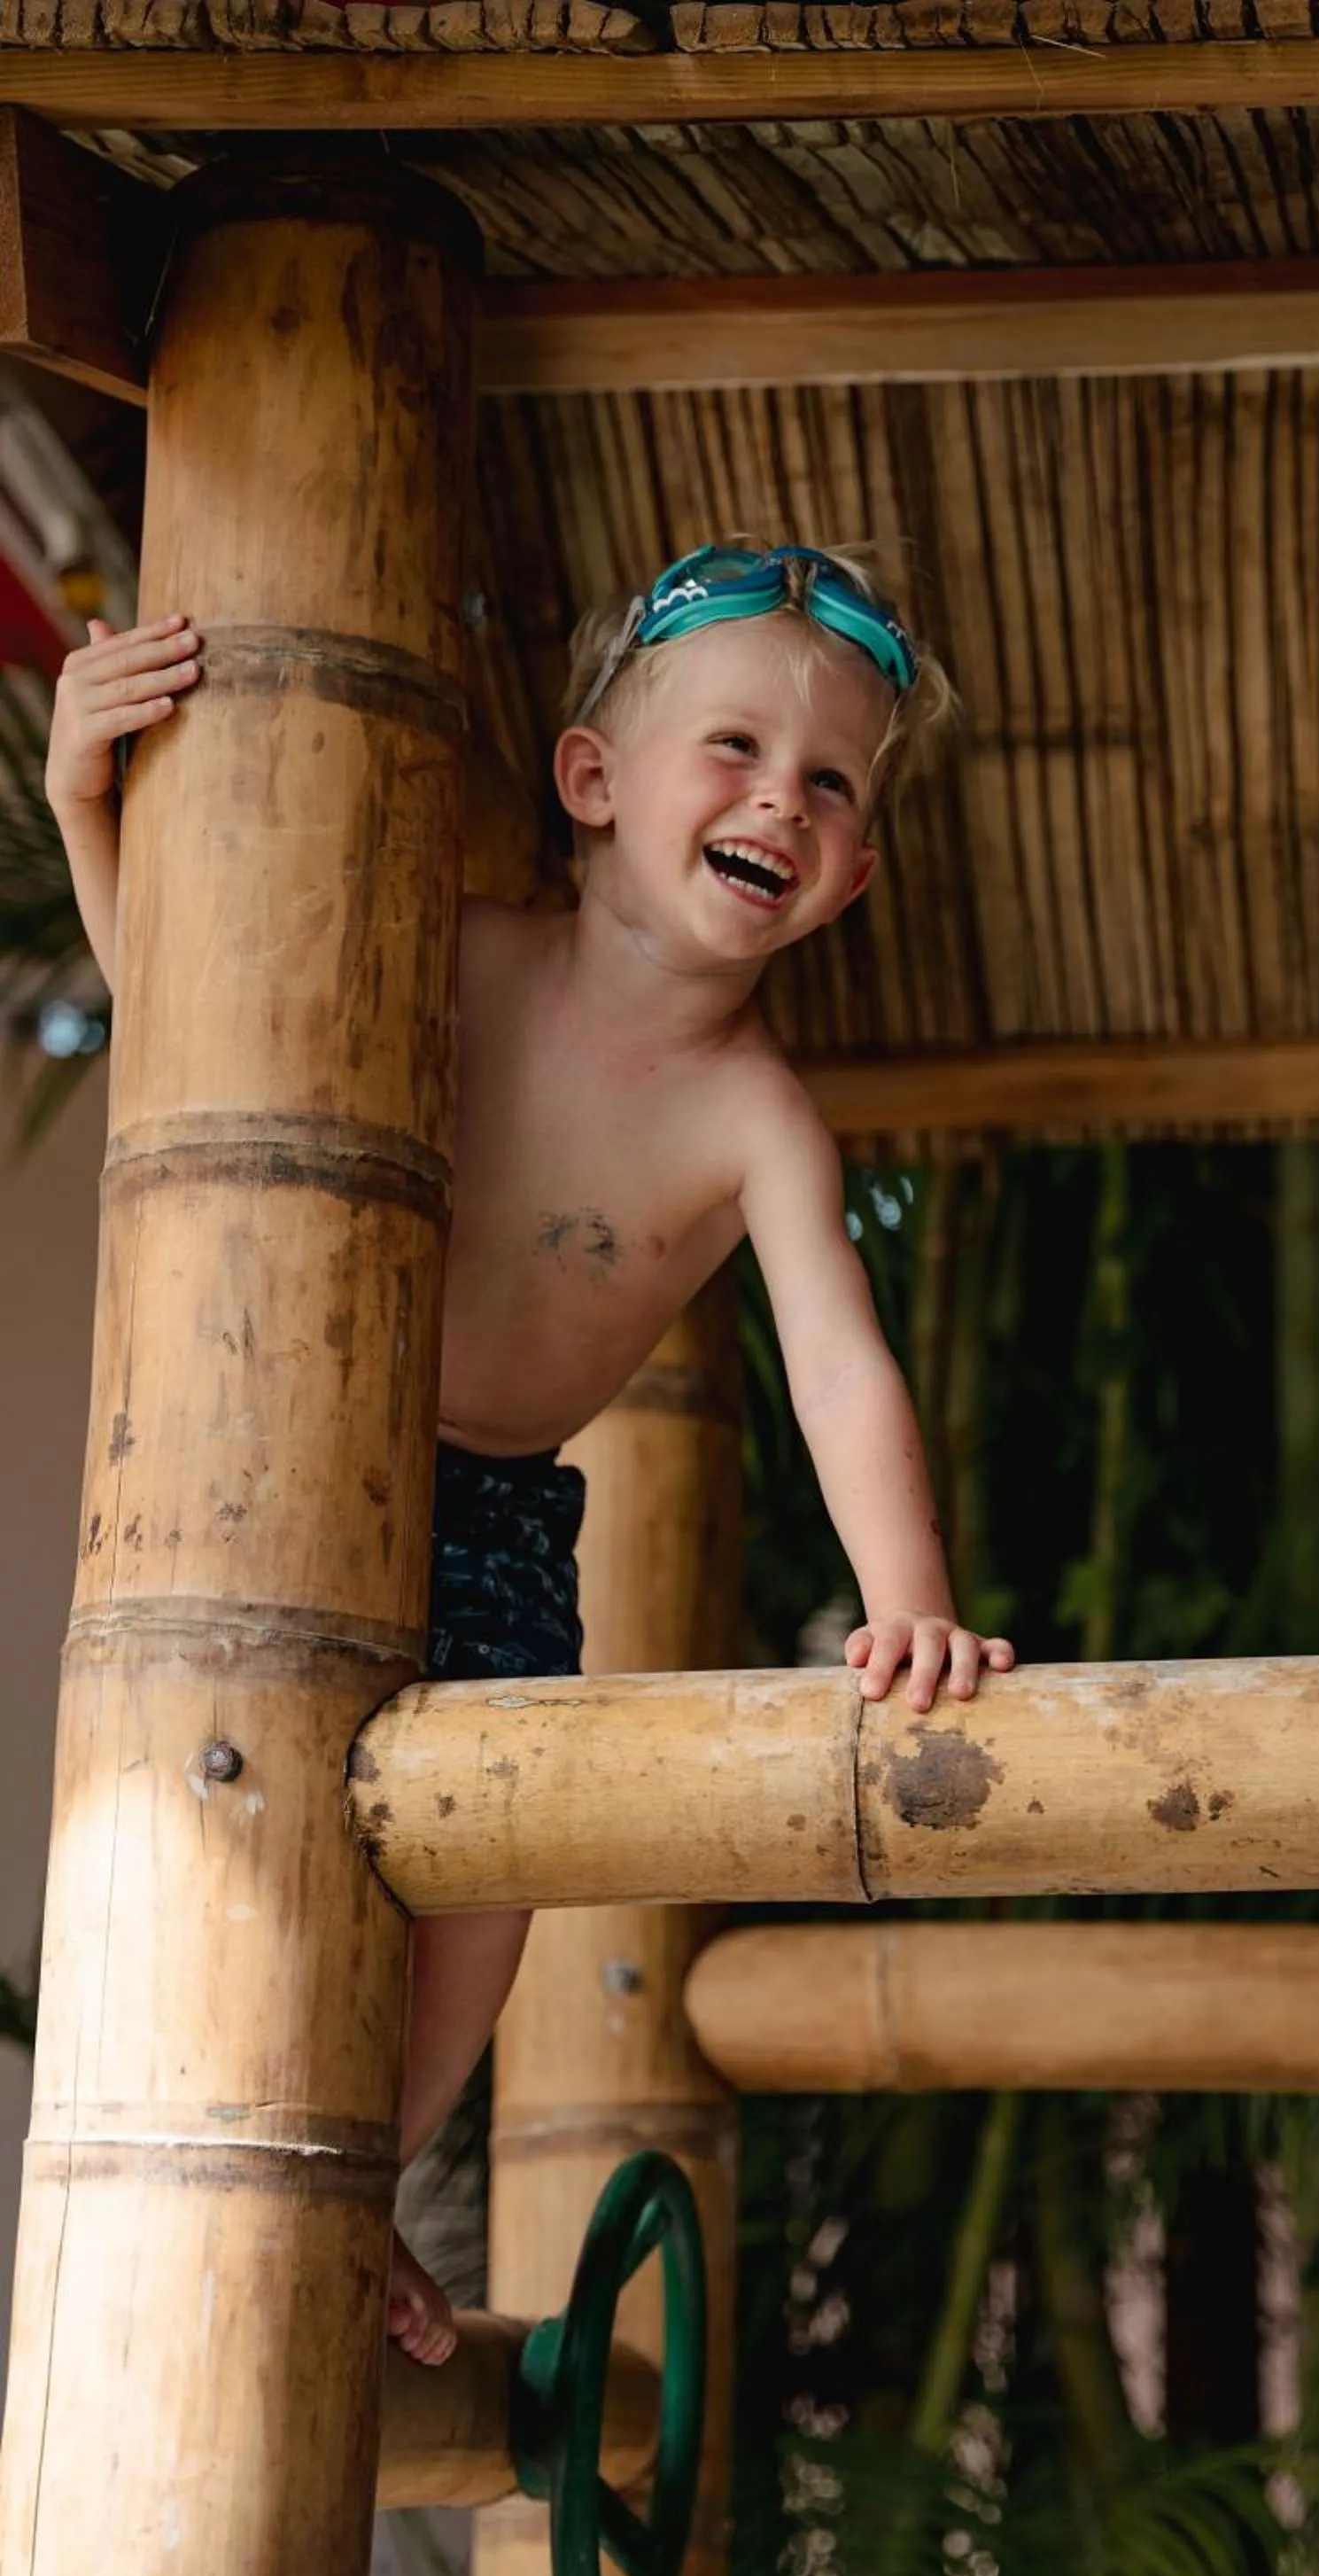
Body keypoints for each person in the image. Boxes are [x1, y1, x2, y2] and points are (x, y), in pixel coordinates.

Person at [46, 540, 1016, 2363]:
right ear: (591, 782)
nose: (775, 802)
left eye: (825, 787)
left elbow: (838, 1364)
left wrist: (911, 1607)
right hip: (269, 1453)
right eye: (729, 748)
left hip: (491, 1507)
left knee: (479, 1898)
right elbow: (197, 1037)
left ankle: (357, 2194)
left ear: (850, 878)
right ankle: (231, 2187)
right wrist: (85, 793)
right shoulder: (452, 951)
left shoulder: (754, 1119)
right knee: (221, 1829)